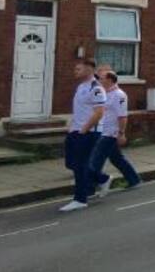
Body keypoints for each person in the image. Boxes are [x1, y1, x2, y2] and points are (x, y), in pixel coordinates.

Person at [60, 59, 106, 212]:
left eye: (78, 69)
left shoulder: (96, 88)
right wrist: (72, 126)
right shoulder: (81, 86)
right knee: (71, 162)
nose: (75, 71)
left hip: (89, 132)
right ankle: (102, 178)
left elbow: (99, 112)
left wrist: (84, 129)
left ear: (89, 70)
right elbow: (79, 110)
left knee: (80, 165)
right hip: (75, 130)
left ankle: (80, 199)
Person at [88, 70, 141, 196]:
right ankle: (134, 180)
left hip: (109, 134)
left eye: (101, 78)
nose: (98, 81)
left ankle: (89, 189)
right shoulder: (104, 94)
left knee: (94, 161)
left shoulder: (119, 95)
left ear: (110, 80)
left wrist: (121, 133)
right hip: (101, 132)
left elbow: (122, 116)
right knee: (117, 159)